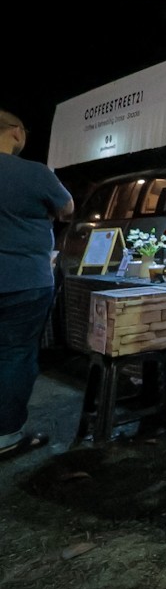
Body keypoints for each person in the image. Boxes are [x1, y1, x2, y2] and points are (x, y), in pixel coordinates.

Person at [0, 109, 73, 460]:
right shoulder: (34, 172)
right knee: (15, 356)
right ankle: (6, 435)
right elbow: (68, 208)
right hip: (24, 280)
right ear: (15, 131)